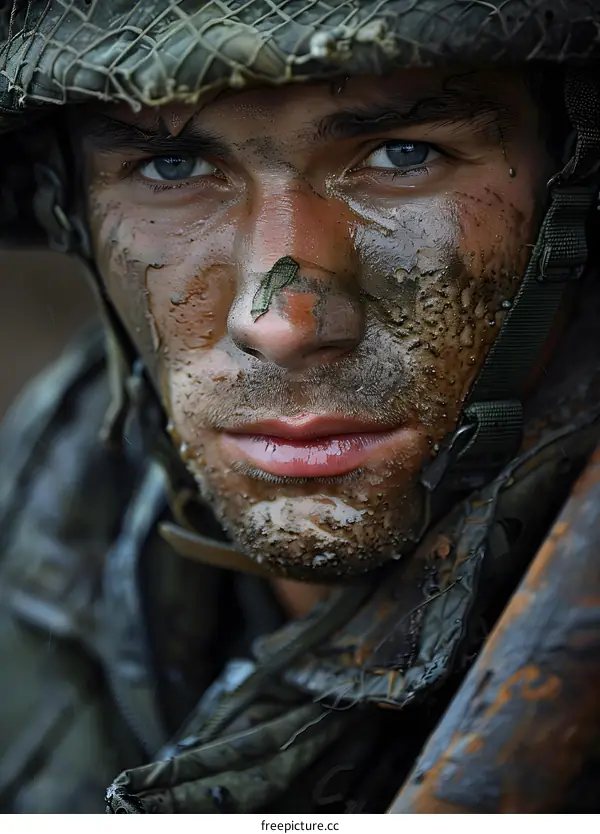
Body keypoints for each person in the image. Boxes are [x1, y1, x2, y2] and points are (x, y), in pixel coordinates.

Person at [0, 0, 599, 814]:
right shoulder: (48, 504)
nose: (280, 324)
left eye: (404, 154)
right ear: (72, 210)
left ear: (573, 183)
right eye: (172, 169)